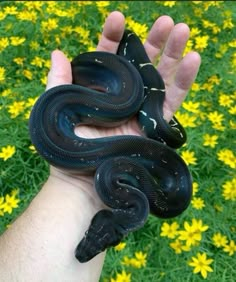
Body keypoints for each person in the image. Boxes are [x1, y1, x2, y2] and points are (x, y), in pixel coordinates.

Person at [0, 11, 201, 282]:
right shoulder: (132, 185)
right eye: (94, 238)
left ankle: (140, 90)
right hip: (116, 99)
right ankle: (138, 88)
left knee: (129, 97)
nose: (88, 244)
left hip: (107, 107)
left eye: (87, 235)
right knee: (128, 96)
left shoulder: (121, 180)